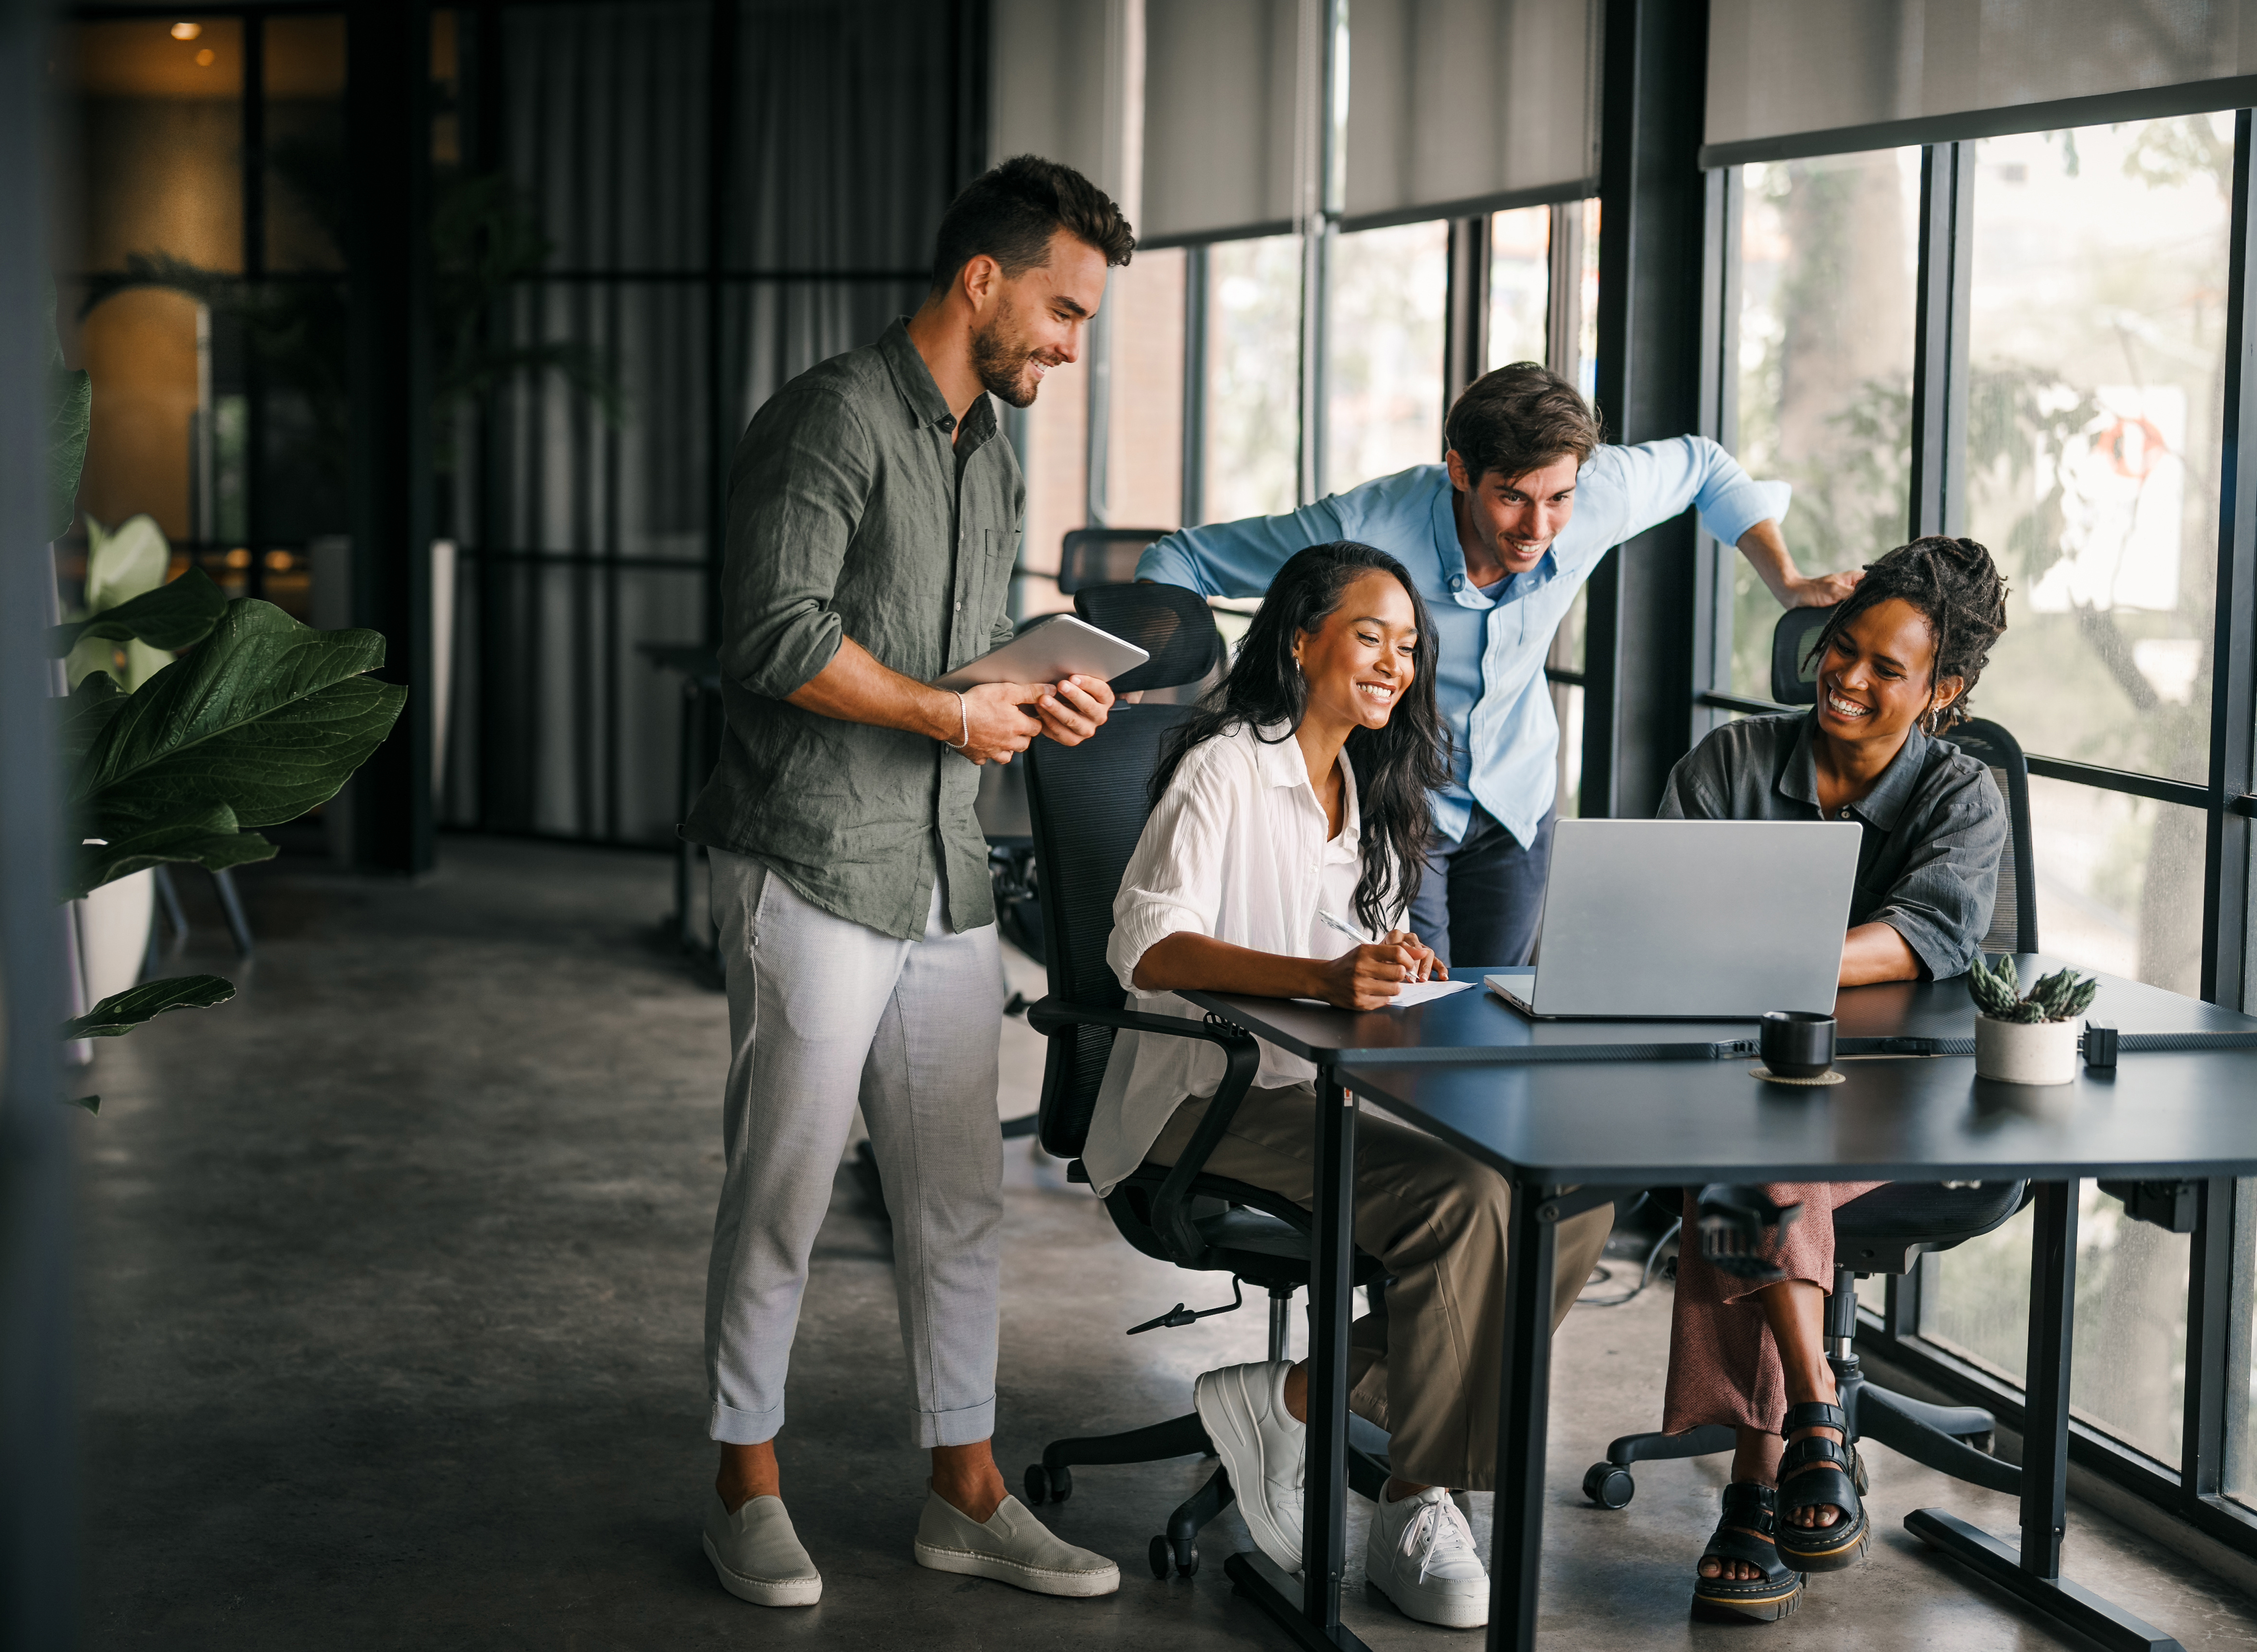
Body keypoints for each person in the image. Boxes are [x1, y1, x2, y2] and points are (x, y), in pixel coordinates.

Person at [681, 155, 1134, 1608]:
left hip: (942, 870)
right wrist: (953, 714)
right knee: (785, 1189)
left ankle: (967, 1491)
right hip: (810, 861)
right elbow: (774, 635)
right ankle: (743, 1482)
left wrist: (1035, 690)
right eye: (1062, 310)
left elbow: (951, 651)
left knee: (960, 1201)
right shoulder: (827, 417)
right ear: (981, 279)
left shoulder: (988, 447)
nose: (1071, 343)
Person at [1084, 541, 1613, 1632]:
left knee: (1570, 1189)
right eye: (1369, 635)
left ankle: (1295, 1400)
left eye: (1409, 646)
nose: (1394, 662)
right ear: (1299, 641)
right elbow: (1146, 944)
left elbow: (1349, 955)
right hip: (1207, 1101)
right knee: (1464, 1201)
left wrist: (1389, 965)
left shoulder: (1365, 787)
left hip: (1327, 1088)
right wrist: (1324, 976)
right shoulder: (1228, 765)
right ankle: (1423, 1496)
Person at [1136, 363, 1865, 967]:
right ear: (1460, 470)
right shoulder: (1361, 529)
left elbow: (1707, 465)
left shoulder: (1595, 495)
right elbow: (1182, 559)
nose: (1538, 528)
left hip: (1518, 804)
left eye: (1557, 500)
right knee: (1414, 1021)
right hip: (1401, 802)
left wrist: (1789, 582)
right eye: (1512, 498)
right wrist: (1165, 702)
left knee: (1496, 1017)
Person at [1655, 535, 2013, 1625]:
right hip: (1741, 1090)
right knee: (1758, 1152)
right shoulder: (1730, 760)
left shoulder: (1964, 793)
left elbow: (1923, 939)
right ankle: (1816, 1422)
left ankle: (1754, 1492)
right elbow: (1661, 912)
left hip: (1907, 1104)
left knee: (1748, 1171)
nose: (1845, 678)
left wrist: (1759, 948)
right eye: (1840, 648)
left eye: (1885, 668)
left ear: (1942, 691)